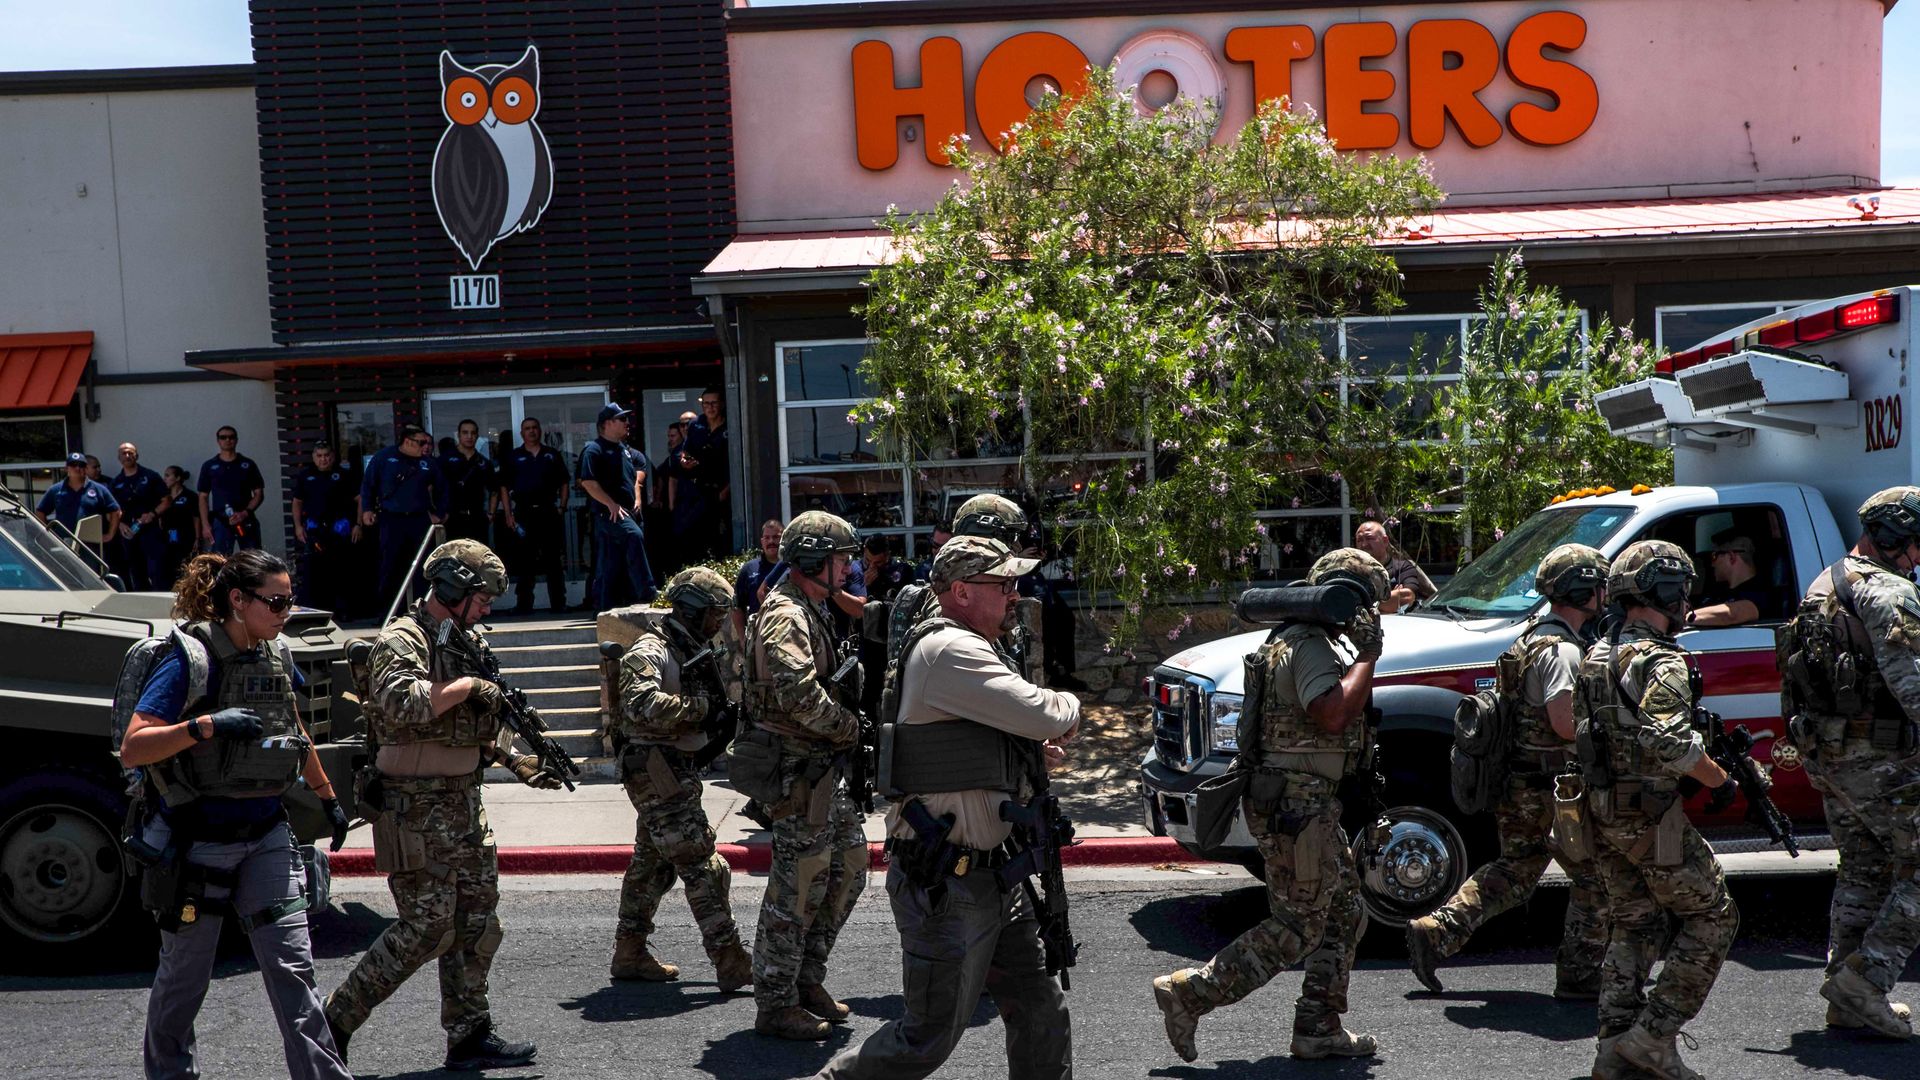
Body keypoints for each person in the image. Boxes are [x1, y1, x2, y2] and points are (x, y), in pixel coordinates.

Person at [813, 535, 1079, 1080]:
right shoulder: (951, 650)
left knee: (1039, 1010)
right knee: (925, 1039)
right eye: (1002, 584)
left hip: (996, 875)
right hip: (947, 883)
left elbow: (978, 742)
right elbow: (1046, 713)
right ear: (960, 591)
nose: (1014, 594)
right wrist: (1069, 704)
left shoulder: (969, 646)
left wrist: (1027, 754)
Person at [322, 540, 560, 1071]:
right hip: (414, 808)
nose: (487, 610)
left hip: (463, 804)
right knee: (424, 928)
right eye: (482, 598)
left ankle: (470, 1033)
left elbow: (475, 724)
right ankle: (333, 1020)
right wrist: (468, 685)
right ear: (452, 589)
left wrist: (518, 759)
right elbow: (400, 703)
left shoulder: (466, 640)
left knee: (476, 922)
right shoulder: (403, 639)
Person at [120, 549, 352, 1080]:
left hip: (267, 835)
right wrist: (205, 726)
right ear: (238, 600)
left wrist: (328, 798)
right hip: (198, 844)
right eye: (276, 601)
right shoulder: (191, 659)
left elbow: (294, 729)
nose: (285, 612)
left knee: (294, 973)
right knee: (185, 981)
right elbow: (134, 746)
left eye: (289, 600)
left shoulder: (277, 653)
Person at [1153, 547, 1388, 1064]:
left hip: (1303, 803)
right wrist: (1368, 656)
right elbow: (1331, 714)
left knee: (1344, 911)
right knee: (1300, 924)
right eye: (1368, 606)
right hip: (1297, 806)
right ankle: (1191, 993)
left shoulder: (1293, 637)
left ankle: (1319, 1027)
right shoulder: (1310, 646)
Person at [1407, 544, 1611, 998]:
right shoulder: (1563, 651)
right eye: (1599, 585)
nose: (1605, 594)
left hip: (1520, 782)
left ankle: (1436, 931)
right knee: (1596, 878)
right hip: (1552, 790)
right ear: (1580, 590)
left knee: (1516, 872)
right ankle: (1580, 975)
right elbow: (1563, 722)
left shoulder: (1530, 639)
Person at [1574, 540, 1739, 1079]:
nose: (1686, 600)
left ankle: (1613, 1048)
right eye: (1682, 589)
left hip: (1603, 813)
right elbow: (1667, 740)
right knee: (1714, 916)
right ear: (1663, 591)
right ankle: (1652, 1037)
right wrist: (1719, 780)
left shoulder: (1596, 654)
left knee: (1636, 923)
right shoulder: (1661, 658)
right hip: (1651, 818)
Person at [1783, 486, 1920, 1038]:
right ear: (1893, 536)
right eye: (1917, 543)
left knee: (1865, 868)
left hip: (1833, 756)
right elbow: (1912, 686)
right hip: (1881, 758)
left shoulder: (1826, 581)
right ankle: (1865, 982)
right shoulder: (1888, 592)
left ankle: (1846, 991)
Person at [742, 510, 869, 1040]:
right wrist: (849, 728)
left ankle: (805, 978)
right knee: (798, 886)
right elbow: (798, 696)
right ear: (814, 560)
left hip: (821, 768)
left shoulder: (812, 608)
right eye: (841, 560)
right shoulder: (786, 614)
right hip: (797, 770)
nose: (848, 569)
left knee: (850, 866)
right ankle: (775, 1002)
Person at [608, 567, 753, 991]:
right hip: (655, 769)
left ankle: (629, 951)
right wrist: (701, 710)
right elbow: (639, 704)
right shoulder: (651, 649)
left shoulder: (687, 646)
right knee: (701, 863)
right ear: (691, 609)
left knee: (651, 866)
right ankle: (730, 958)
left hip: (673, 767)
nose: (719, 622)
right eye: (714, 614)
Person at [578, 403, 657, 610]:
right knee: (634, 536)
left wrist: (636, 500)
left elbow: (632, 480)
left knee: (609, 563)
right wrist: (610, 504)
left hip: (627, 511)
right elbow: (588, 482)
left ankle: (603, 608)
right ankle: (648, 591)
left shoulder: (624, 450)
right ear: (607, 424)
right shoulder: (594, 450)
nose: (626, 423)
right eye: (622, 419)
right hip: (610, 513)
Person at [359, 425, 449, 605]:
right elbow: (368, 485)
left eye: (428, 443)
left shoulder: (428, 462)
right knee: (390, 566)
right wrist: (367, 509)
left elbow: (443, 489)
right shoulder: (384, 458)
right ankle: (389, 610)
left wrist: (439, 513)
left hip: (419, 519)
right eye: (421, 443)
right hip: (392, 519)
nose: (426, 447)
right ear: (408, 441)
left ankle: (421, 608)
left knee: (423, 565)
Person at [498, 417, 573, 614]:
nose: (531, 431)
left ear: (540, 431)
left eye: (534, 428)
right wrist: (508, 514)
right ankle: (523, 605)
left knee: (553, 560)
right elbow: (503, 486)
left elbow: (564, 482)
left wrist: (562, 507)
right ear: (521, 433)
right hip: (524, 513)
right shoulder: (514, 457)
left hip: (548, 512)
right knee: (525, 561)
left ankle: (558, 603)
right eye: (527, 429)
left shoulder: (551, 454)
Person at [291, 441, 362, 615]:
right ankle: (317, 610)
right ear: (314, 457)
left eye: (327, 455)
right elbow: (297, 502)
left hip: (340, 529)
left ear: (333, 456)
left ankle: (344, 610)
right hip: (315, 530)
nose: (323, 459)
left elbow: (360, 499)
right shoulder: (305, 475)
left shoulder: (344, 475)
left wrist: (358, 524)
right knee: (314, 571)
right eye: (320, 456)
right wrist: (298, 526)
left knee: (342, 571)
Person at [107, 442, 169, 591]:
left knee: (156, 570)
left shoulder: (151, 476)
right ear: (119, 458)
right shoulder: (115, 483)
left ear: (136, 455)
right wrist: (119, 525)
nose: (127, 456)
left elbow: (167, 501)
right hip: (129, 533)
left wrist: (153, 514)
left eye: (130, 452)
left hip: (150, 530)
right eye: (124, 453)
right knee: (136, 572)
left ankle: (162, 600)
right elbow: (109, 512)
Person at [681, 386, 732, 560]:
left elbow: (739, 460)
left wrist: (727, 490)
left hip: (725, 489)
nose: (710, 407)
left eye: (714, 403)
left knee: (724, 535)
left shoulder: (731, 423)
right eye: (706, 404)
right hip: (700, 489)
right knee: (696, 533)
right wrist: (685, 461)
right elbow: (686, 451)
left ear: (722, 404)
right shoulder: (696, 425)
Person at [197, 426, 266, 554]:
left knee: (253, 560)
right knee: (219, 560)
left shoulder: (248, 464)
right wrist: (205, 525)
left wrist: (245, 513)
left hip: (245, 519)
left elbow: (258, 494)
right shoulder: (209, 466)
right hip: (221, 521)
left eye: (231, 437)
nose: (227, 440)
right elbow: (203, 497)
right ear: (218, 441)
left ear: (236, 440)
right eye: (223, 437)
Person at [1353, 520, 1436, 614]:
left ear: (1385, 541)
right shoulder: (1352, 571)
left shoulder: (1402, 568)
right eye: (1359, 540)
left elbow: (1407, 597)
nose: (1363, 544)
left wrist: (1362, 603)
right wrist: (1388, 599)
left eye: (1369, 538)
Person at [1687, 534, 1769, 628]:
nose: (1712, 564)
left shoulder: (1758, 592)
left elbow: (1731, 615)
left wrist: (1684, 618)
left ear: (1731, 557)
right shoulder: (1717, 591)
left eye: (1714, 556)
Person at [37, 451, 120, 543]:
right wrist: (48, 534)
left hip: (91, 543)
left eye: (81, 465)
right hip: (64, 542)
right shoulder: (56, 490)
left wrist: (110, 535)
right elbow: (40, 511)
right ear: (66, 468)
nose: (77, 468)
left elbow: (115, 511)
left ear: (86, 468)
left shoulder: (99, 489)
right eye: (73, 465)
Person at [442, 419, 496, 545]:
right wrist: (440, 513)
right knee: (455, 554)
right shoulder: (445, 460)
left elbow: (494, 490)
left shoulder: (484, 463)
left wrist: (491, 513)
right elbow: (433, 487)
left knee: (478, 554)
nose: (469, 436)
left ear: (477, 436)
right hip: (452, 518)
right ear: (459, 435)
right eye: (465, 433)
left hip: (478, 517)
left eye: (473, 433)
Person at [731, 518, 786, 639]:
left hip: (787, 633)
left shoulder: (793, 569)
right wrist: (742, 639)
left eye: (776, 537)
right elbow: (737, 607)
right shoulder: (749, 569)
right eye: (767, 538)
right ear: (762, 541)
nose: (771, 541)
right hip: (758, 637)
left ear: (784, 539)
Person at [158, 466, 199, 589]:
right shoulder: (164, 497)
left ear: (177, 478)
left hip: (185, 537)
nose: (165, 479)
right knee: (167, 568)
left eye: (168, 475)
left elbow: (196, 517)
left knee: (184, 566)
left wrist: (197, 537)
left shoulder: (190, 496)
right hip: (167, 537)